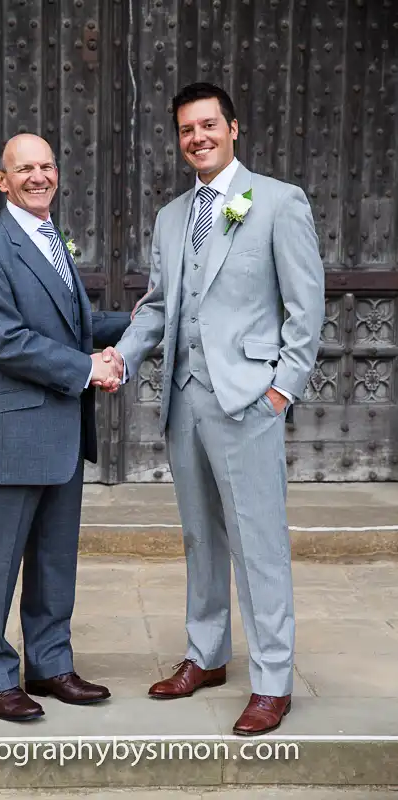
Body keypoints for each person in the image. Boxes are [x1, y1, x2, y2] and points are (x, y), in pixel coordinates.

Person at [103, 83, 325, 735]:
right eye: (185, 129)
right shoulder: (171, 217)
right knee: (201, 537)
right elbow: (159, 305)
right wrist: (121, 356)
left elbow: (304, 307)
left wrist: (281, 389)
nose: (196, 137)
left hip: (248, 399)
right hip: (185, 398)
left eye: (207, 125)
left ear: (233, 127)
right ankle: (205, 655)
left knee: (258, 543)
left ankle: (272, 680)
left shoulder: (277, 202)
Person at [0, 133, 130, 722]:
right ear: (1, 180)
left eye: (48, 165)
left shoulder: (53, 239)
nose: (39, 176)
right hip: (11, 431)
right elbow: (4, 340)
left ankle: (51, 665)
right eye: (24, 168)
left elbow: (71, 326)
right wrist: (87, 367)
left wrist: (140, 323)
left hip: (59, 429)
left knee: (56, 558)